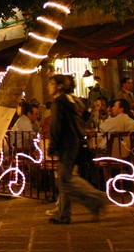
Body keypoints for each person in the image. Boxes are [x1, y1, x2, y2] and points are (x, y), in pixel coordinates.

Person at [46, 74, 107, 224]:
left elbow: (55, 126)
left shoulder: (59, 102)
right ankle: (66, 213)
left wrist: (52, 145)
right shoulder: (75, 100)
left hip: (66, 144)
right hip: (75, 142)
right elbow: (84, 118)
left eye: (51, 83)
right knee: (66, 179)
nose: (49, 87)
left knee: (65, 180)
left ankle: (95, 199)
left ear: (59, 86)